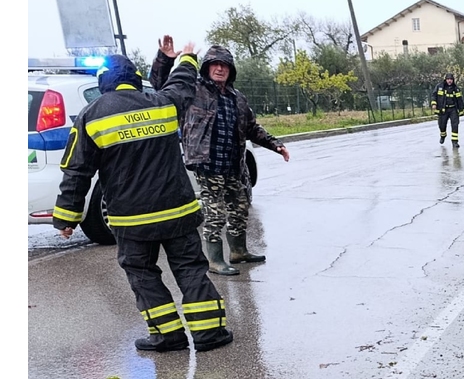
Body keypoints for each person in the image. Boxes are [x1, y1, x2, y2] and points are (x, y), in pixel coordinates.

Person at [52, 49, 233, 353]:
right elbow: (182, 84)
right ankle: (209, 334)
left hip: (131, 220)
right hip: (179, 211)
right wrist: (186, 57)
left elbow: (77, 171)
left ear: (104, 82)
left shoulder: (92, 115)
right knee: (190, 269)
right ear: (136, 79)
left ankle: (167, 336)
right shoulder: (162, 102)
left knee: (143, 274)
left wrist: (66, 218)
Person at [151, 37, 290, 276]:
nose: (219, 68)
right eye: (214, 64)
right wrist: (165, 59)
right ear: (206, 68)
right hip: (208, 164)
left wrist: (275, 145)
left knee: (240, 208)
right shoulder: (193, 90)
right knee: (215, 214)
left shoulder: (238, 98)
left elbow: (252, 128)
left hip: (234, 165)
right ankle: (215, 260)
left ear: (230, 69)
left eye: (224, 65)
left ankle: (238, 252)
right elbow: (160, 85)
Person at [431, 72, 464, 147]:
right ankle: (443, 135)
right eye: (448, 79)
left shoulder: (456, 89)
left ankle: (455, 142)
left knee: (455, 125)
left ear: (453, 80)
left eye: (451, 79)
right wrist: (434, 104)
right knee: (442, 125)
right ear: (445, 80)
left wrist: (462, 110)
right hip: (443, 110)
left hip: (453, 109)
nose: (449, 81)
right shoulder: (439, 87)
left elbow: (460, 100)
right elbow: (434, 95)